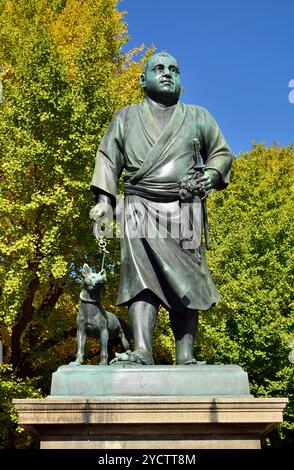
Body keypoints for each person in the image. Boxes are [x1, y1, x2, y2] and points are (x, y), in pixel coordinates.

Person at [90, 52, 233, 365]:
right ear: (143, 80)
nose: (168, 73)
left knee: (190, 281)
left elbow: (222, 154)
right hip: (138, 205)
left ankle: (186, 356)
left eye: (174, 69)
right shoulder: (125, 117)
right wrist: (103, 202)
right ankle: (142, 349)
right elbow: (108, 158)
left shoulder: (198, 116)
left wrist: (209, 175)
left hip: (186, 207)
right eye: (159, 68)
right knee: (138, 278)